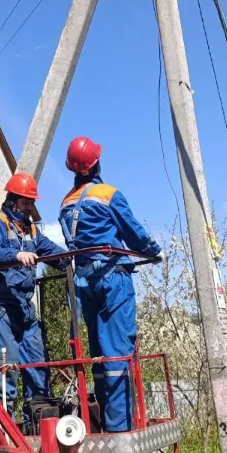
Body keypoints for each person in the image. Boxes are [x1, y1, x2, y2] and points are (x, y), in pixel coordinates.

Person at [58, 137, 161, 433]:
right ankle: (120, 426)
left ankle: (102, 420)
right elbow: (133, 232)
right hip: (111, 278)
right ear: (96, 163)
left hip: (81, 282)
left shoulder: (66, 202)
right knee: (117, 351)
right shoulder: (108, 194)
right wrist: (153, 250)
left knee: (99, 353)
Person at [0, 172, 67, 416]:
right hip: (1, 307)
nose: (30, 208)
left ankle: (38, 422)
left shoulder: (31, 231)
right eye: (26, 202)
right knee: (6, 368)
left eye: (32, 202)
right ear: (13, 199)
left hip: (24, 309)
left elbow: (53, 253)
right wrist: (15, 256)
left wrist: (75, 260)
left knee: (37, 366)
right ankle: (3, 428)